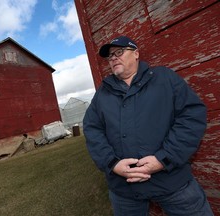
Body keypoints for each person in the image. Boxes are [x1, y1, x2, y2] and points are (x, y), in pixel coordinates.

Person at [83, 35, 214, 216]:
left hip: (171, 182)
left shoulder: (163, 78)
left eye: (119, 52)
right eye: (110, 56)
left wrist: (164, 159)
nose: (113, 58)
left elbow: (191, 116)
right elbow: (92, 130)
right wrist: (112, 164)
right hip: (124, 190)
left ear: (136, 53)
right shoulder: (102, 94)